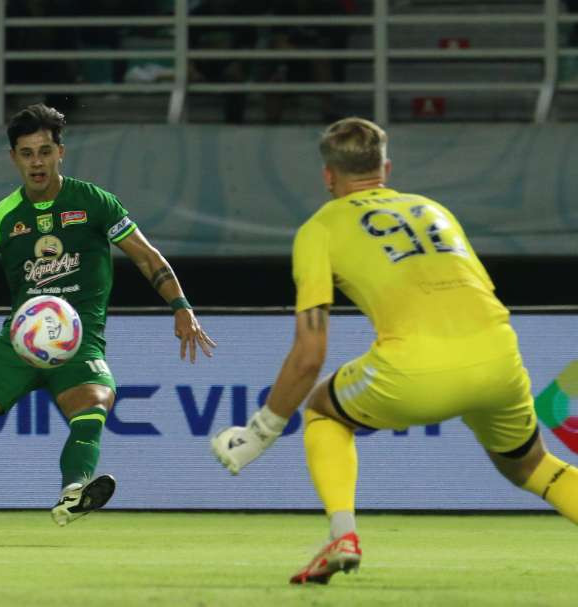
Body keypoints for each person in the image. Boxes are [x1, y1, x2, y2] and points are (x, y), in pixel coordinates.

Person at [211, 117, 578, 584]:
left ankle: (343, 535)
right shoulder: (432, 209)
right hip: (499, 355)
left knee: (324, 407)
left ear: (328, 176)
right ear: (385, 166)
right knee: (533, 466)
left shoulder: (318, 229)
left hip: (416, 369)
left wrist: (260, 433)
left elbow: (309, 354)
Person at [0, 103, 216, 533]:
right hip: (19, 341)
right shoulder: (2, 216)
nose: (37, 162)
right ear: (14, 158)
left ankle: (73, 493)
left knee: (96, 403)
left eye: (45, 151)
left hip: (76, 341)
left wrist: (181, 307)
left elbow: (146, 256)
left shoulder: (94, 202)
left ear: (60, 152)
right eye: (27, 153)